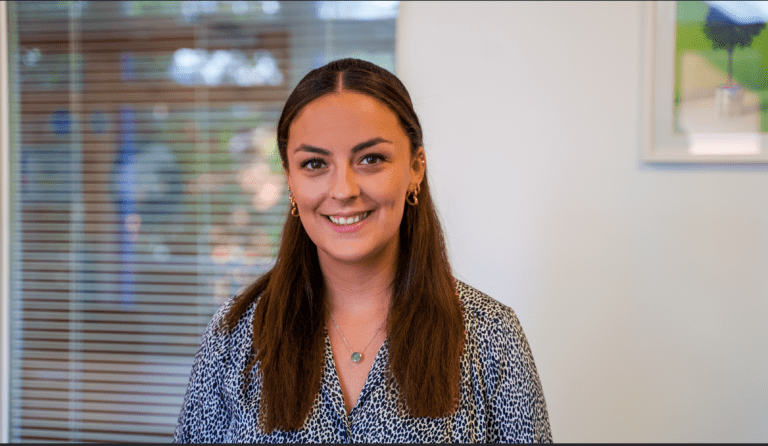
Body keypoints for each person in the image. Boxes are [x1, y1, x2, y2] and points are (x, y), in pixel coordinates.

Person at [174, 58, 551, 443]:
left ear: (416, 168)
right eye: (315, 163)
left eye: (371, 159)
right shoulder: (234, 336)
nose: (343, 190)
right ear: (290, 180)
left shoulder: (490, 336)